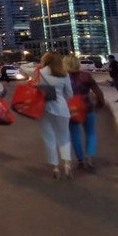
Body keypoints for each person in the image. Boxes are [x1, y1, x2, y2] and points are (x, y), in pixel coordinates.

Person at [63, 55, 105, 171]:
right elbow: (98, 92)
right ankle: (89, 157)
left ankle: (80, 159)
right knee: (90, 133)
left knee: (75, 134)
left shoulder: (62, 77)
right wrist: (100, 104)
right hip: (87, 107)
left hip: (71, 110)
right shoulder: (86, 76)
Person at [38, 51, 75, 179]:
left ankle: (55, 167)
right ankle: (67, 164)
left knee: (49, 138)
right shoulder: (64, 74)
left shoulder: (41, 72)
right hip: (62, 108)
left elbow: (23, 69)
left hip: (45, 108)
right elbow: (70, 94)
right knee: (64, 137)